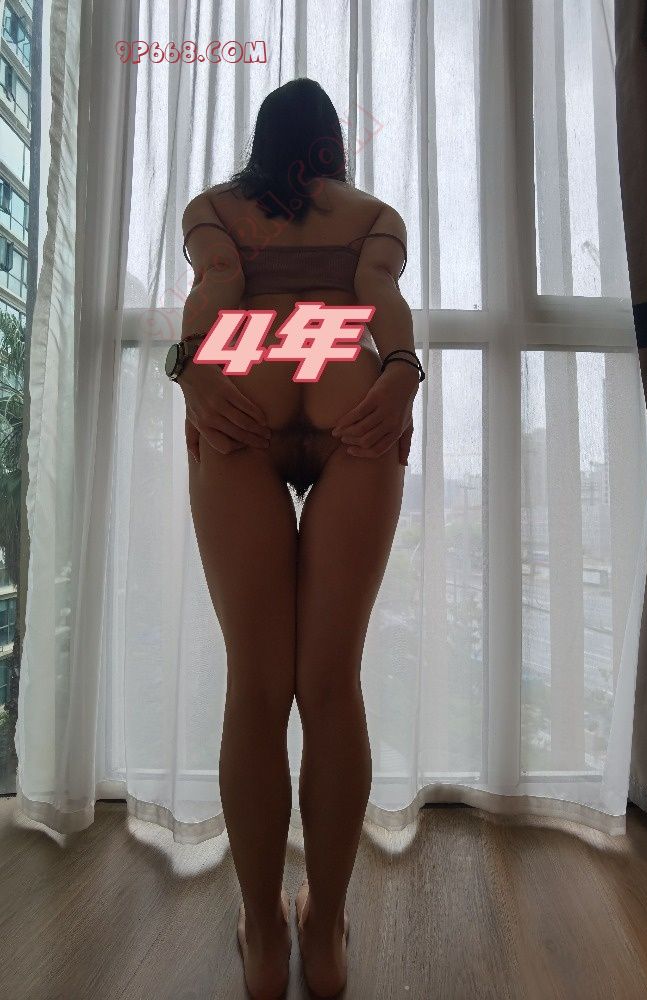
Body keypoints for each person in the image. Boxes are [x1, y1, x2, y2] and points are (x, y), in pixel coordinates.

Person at [174, 78, 423, 999]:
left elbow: (216, 286)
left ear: (261, 141)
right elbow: (379, 298)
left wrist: (192, 370)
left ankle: (261, 935)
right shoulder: (371, 216)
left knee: (256, 682)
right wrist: (401, 372)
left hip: (248, 379)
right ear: (332, 143)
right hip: (347, 381)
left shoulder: (216, 208)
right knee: (329, 680)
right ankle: (322, 936)